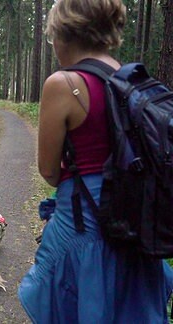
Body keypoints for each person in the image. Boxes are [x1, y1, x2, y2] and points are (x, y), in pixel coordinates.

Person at [18, 0, 173, 322]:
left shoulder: (63, 84)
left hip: (86, 218)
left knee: (79, 305)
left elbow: (48, 171)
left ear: (63, 33)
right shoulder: (130, 80)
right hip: (134, 218)